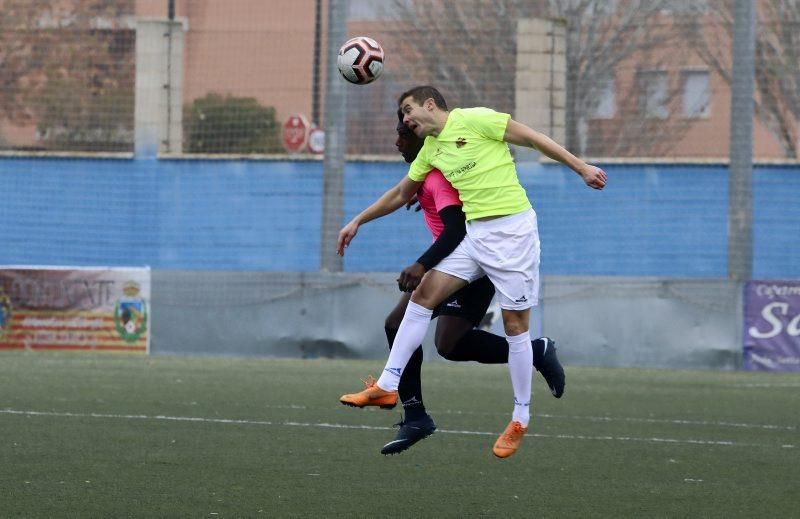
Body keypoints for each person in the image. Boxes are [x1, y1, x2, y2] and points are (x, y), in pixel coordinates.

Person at [338, 86, 606, 458]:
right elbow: (401, 193)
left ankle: (520, 418)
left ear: (430, 104)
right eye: (402, 115)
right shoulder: (431, 149)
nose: (405, 120)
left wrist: (581, 167)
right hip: (476, 235)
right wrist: (357, 221)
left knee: (515, 328)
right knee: (422, 296)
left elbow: (533, 138)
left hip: (513, 234)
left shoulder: (476, 119)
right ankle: (387, 384)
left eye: (408, 110)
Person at [370, 110, 565, 456]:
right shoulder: (432, 168)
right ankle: (413, 410)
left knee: (411, 327)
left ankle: (415, 412)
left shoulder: (441, 169)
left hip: (475, 260)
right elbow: (400, 193)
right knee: (445, 343)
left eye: (404, 132)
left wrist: (422, 263)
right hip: (462, 257)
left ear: (424, 134)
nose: (398, 140)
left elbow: (457, 227)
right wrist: (356, 222)